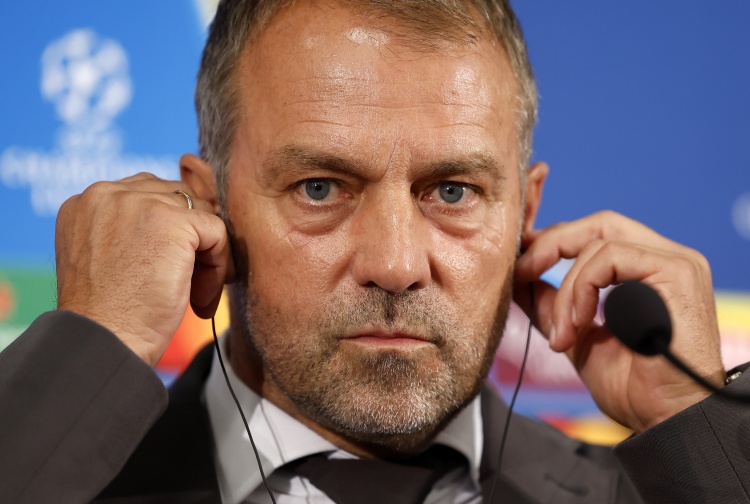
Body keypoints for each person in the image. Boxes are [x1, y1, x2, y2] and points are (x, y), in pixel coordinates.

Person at [1, 0, 749, 502]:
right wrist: (86, 355)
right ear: (209, 206)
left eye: (452, 191)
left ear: (524, 212)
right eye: (320, 188)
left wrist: (695, 424)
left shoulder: (655, 493)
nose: (395, 265)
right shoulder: (61, 475)